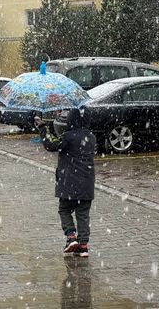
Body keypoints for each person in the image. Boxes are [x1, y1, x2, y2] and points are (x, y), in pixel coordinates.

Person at [35, 109, 96, 257]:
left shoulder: (68, 136)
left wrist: (43, 128)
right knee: (83, 214)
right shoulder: (91, 137)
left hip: (69, 181)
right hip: (87, 182)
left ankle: (71, 236)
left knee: (64, 210)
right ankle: (83, 246)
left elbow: (51, 145)